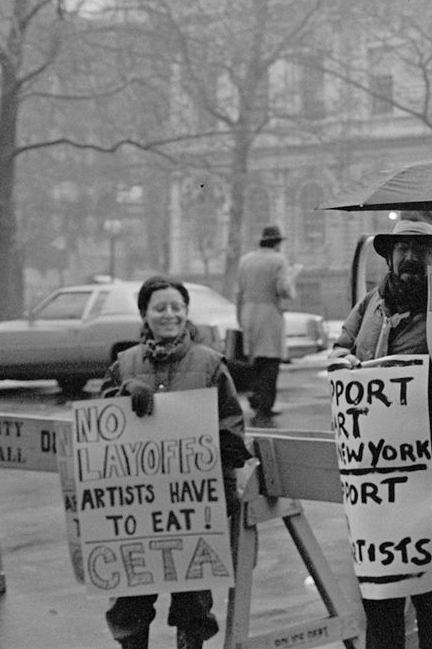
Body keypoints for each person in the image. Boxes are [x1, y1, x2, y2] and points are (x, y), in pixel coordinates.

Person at [327, 212, 432, 649]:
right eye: (403, 249)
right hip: (373, 481)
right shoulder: (369, 305)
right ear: (389, 256)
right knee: (379, 596)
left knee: (431, 594)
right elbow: (340, 350)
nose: (410, 258)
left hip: (426, 474)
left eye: (421, 250)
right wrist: (344, 364)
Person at [100, 276, 251, 649]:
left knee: (193, 599)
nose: (169, 315)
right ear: (144, 314)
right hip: (137, 507)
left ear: (187, 313)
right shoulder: (124, 364)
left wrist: (218, 478)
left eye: (177, 308)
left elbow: (232, 430)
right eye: (159, 308)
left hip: (194, 507)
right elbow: (101, 430)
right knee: (131, 596)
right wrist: (122, 392)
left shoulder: (211, 364)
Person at [237, 224, 297, 428]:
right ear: (277, 242)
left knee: (254, 360)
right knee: (271, 361)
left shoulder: (246, 260)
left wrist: (240, 316)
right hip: (269, 313)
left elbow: (239, 291)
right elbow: (284, 289)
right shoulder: (278, 260)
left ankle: (255, 397)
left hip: (248, 312)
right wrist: (291, 279)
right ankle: (265, 403)